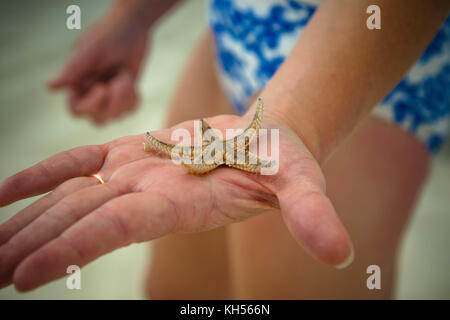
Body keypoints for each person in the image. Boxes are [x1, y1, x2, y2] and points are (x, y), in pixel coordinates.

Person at [0, 0, 448, 299]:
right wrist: (132, 17)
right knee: (178, 297)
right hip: (235, 33)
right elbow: (167, 144)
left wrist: (289, 123)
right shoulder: (207, 143)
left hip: (362, 67)